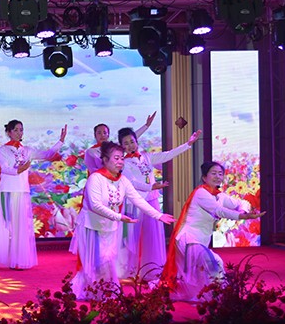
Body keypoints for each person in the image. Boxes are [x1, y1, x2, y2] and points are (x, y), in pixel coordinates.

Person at [71, 141, 175, 299]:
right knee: (98, 262)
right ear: (105, 160)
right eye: (116, 158)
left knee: (107, 260)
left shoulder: (123, 180)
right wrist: (119, 217)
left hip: (110, 226)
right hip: (91, 226)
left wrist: (158, 215)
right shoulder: (95, 178)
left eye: (121, 158)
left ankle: (102, 293)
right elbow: (95, 206)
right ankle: (94, 292)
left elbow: (137, 199)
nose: (120, 161)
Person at [160, 161, 264, 301]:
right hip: (188, 239)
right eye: (213, 173)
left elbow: (242, 202)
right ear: (204, 177)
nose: (217, 177)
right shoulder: (201, 193)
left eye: (220, 174)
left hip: (201, 240)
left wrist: (243, 211)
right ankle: (220, 296)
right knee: (214, 262)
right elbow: (218, 210)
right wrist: (242, 216)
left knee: (195, 275)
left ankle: (214, 295)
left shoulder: (220, 196)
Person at [0, 120, 67, 270]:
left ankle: (16, 261)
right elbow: (5, 169)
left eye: (21, 129)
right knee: (4, 225)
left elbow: (47, 155)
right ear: (9, 132)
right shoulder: (4, 150)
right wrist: (21, 168)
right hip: (7, 190)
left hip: (22, 191)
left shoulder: (27, 150)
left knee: (19, 227)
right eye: (16, 130)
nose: (19, 132)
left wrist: (61, 141)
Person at [117, 127, 202, 280]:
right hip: (136, 202)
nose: (130, 145)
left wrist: (188, 144)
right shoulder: (124, 163)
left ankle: (151, 270)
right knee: (133, 238)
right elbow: (132, 183)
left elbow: (167, 155)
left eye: (132, 141)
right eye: (126, 143)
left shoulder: (146, 157)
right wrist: (151, 186)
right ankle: (130, 271)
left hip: (152, 200)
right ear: (121, 146)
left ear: (137, 142)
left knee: (152, 237)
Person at [84, 112, 156, 174]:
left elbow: (131, 137)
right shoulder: (90, 152)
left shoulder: (114, 148)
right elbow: (92, 170)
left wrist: (146, 125)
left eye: (105, 133)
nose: (102, 135)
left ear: (108, 135)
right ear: (95, 135)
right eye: (99, 133)